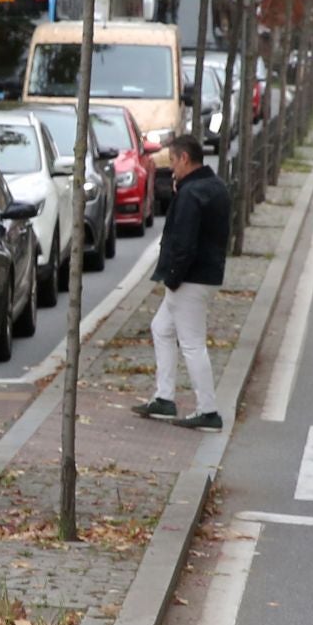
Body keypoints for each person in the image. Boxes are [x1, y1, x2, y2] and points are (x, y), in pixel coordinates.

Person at [134, 138, 231, 430]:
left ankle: (208, 410)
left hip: (190, 278)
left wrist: (173, 277)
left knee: (192, 343)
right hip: (207, 274)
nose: (171, 169)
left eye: (173, 162)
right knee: (161, 328)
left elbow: (184, 241)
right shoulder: (214, 187)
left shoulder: (191, 194)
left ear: (185, 159)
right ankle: (164, 398)